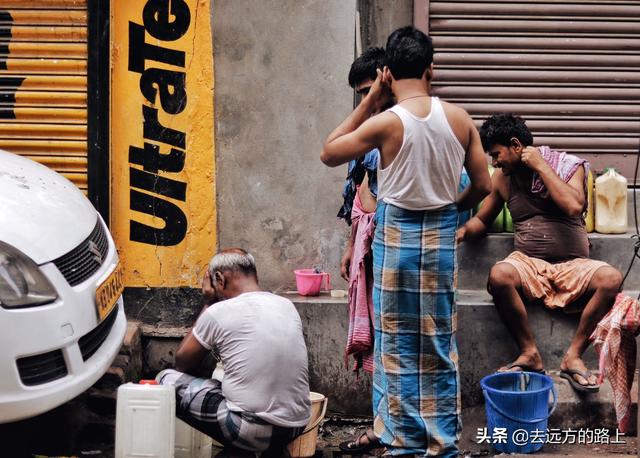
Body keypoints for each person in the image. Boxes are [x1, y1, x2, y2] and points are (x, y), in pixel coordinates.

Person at [321, 26, 491, 457]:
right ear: (431, 69)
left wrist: (370, 101)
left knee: (396, 344)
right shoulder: (460, 119)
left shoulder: (385, 122)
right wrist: (454, 204)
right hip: (438, 238)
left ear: (387, 73)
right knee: (437, 342)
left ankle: (402, 443)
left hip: (395, 238)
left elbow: (329, 151)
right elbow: (484, 186)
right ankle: (441, 445)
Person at [457, 113, 623, 393]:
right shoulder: (502, 178)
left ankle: (573, 356)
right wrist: (461, 232)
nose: (494, 162)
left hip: (574, 266)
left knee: (611, 278)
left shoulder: (568, 166)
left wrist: (541, 166)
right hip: (528, 266)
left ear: (516, 145)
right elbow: (483, 219)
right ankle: (529, 353)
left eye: (497, 154)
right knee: (499, 274)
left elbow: (573, 207)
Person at [156, 248, 311, 456]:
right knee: (224, 386)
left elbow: (183, 362)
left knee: (165, 379)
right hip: (296, 425)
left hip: (249, 428)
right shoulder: (286, 305)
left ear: (219, 279)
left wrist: (209, 302)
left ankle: (246, 448)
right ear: (254, 274)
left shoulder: (218, 312)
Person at [336, 47, 385, 455]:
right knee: (381, 347)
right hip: (371, 254)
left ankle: (390, 429)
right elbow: (359, 196)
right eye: (360, 95)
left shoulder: (401, 128)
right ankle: (383, 425)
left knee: (393, 348)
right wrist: (351, 246)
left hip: (397, 254)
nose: (365, 102)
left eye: (369, 91)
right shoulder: (370, 137)